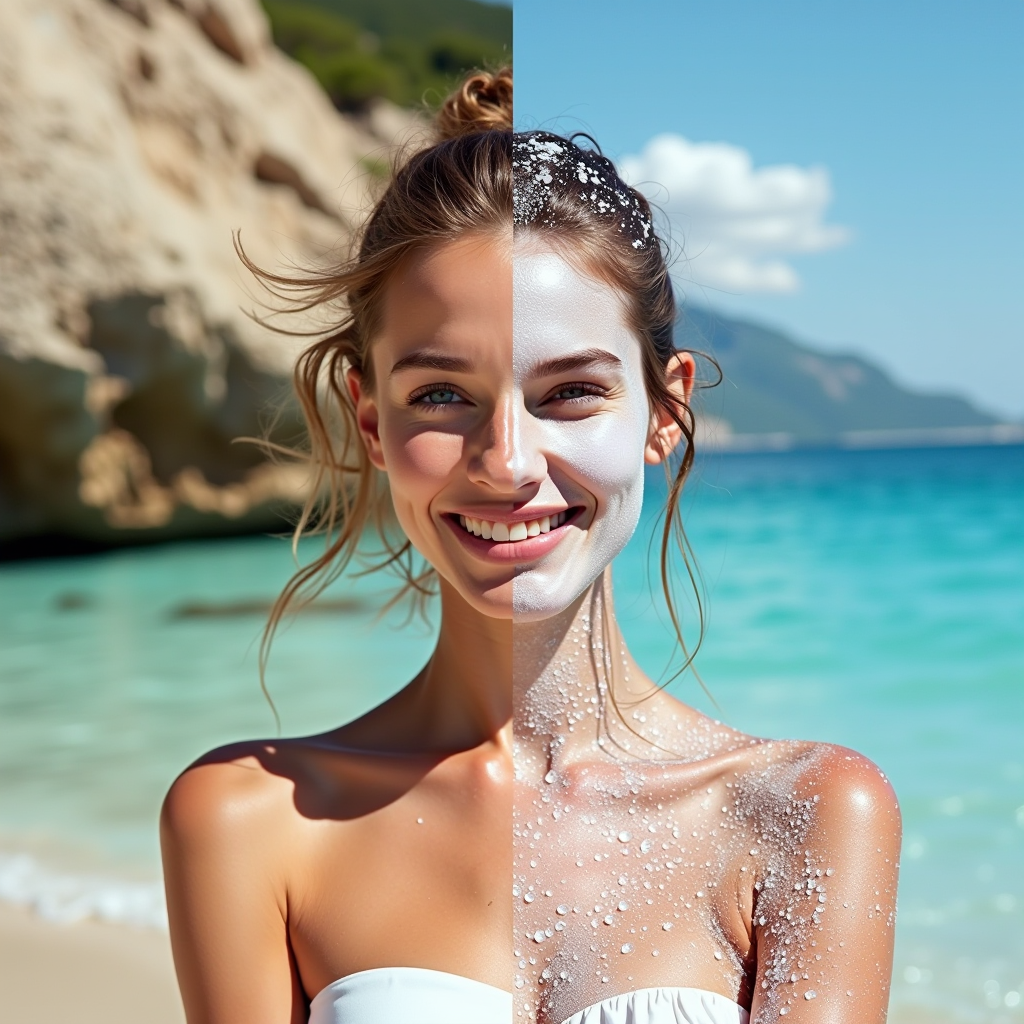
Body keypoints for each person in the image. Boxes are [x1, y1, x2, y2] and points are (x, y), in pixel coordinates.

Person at [161, 68, 901, 1024]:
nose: (508, 462)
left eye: (570, 393)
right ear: (371, 420)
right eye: (439, 395)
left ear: (663, 411)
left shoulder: (808, 813)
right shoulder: (249, 818)